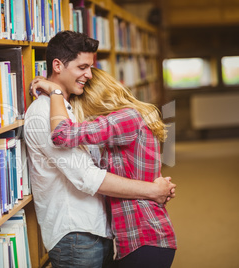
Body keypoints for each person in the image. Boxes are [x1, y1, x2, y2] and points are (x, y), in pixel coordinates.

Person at [24, 30, 176, 267]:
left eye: (91, 67)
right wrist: (152, 190)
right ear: (57, 65)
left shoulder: (71, 110)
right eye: (83, 67)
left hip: (99, 230)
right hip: (76, 234)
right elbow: (88, 176)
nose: (89, 74)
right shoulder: (44, 112)